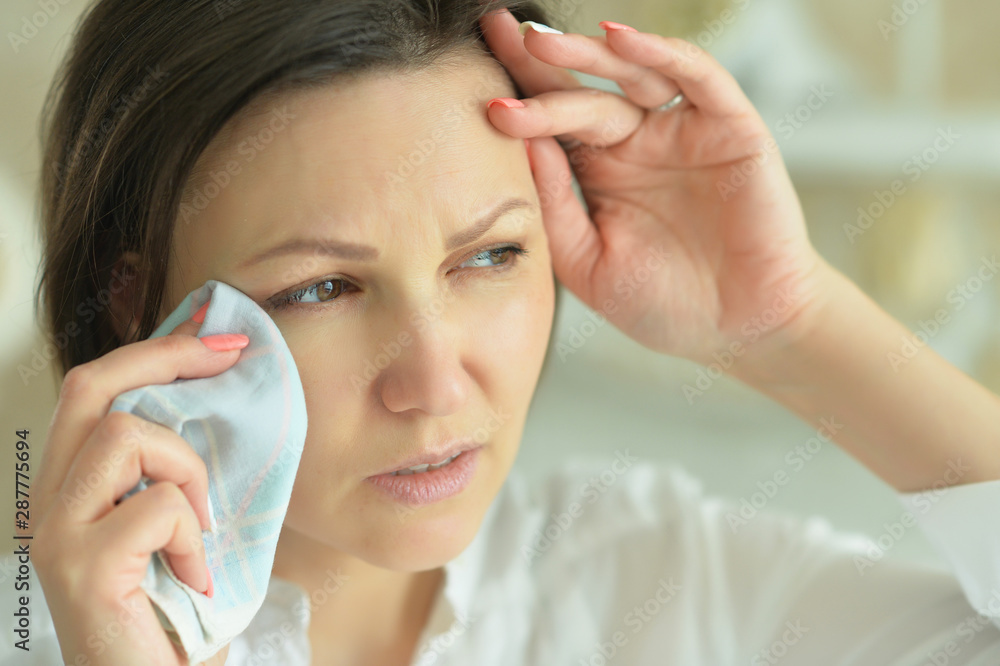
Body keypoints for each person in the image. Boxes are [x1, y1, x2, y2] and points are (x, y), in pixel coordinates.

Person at [7, 0, 1000, 663]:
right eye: (321, 288)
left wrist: (791, 324)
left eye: (488, 259)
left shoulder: (655, 580)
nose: (436, 385)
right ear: (138, 302)